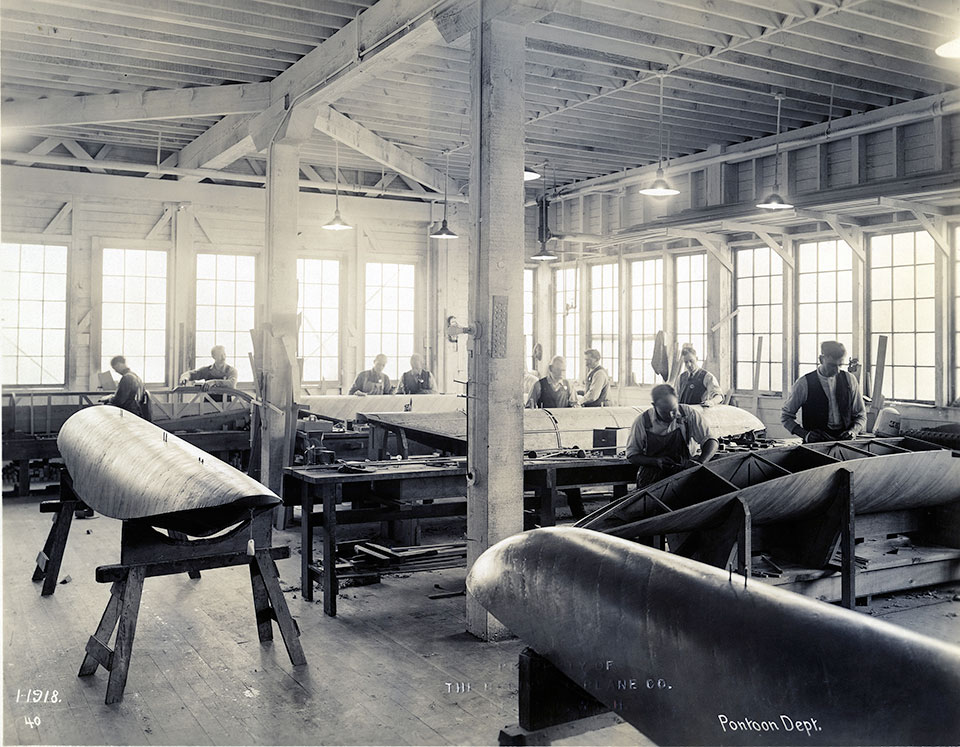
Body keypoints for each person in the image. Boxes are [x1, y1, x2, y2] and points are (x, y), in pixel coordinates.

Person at [626, 383, 719, 488]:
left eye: (674, 410)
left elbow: (711, 441)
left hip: (684, 474)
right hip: (652, 480)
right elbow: (632, 455)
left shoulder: (688, 414)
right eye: (665, 412)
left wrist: (700, 462)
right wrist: (656, 461)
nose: (671, 415)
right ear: (654, 405)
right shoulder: (643, 421)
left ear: (677, 400)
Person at [781, 340, 866, 443]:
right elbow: (786, 417)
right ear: (821, 359)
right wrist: (806, 435)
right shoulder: (804, 383)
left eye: (840, 365)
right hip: (816, 445)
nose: (837, 370)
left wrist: (853, 431)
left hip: (845, 443)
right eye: (832, 365)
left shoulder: (850, 380)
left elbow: (861, 415)